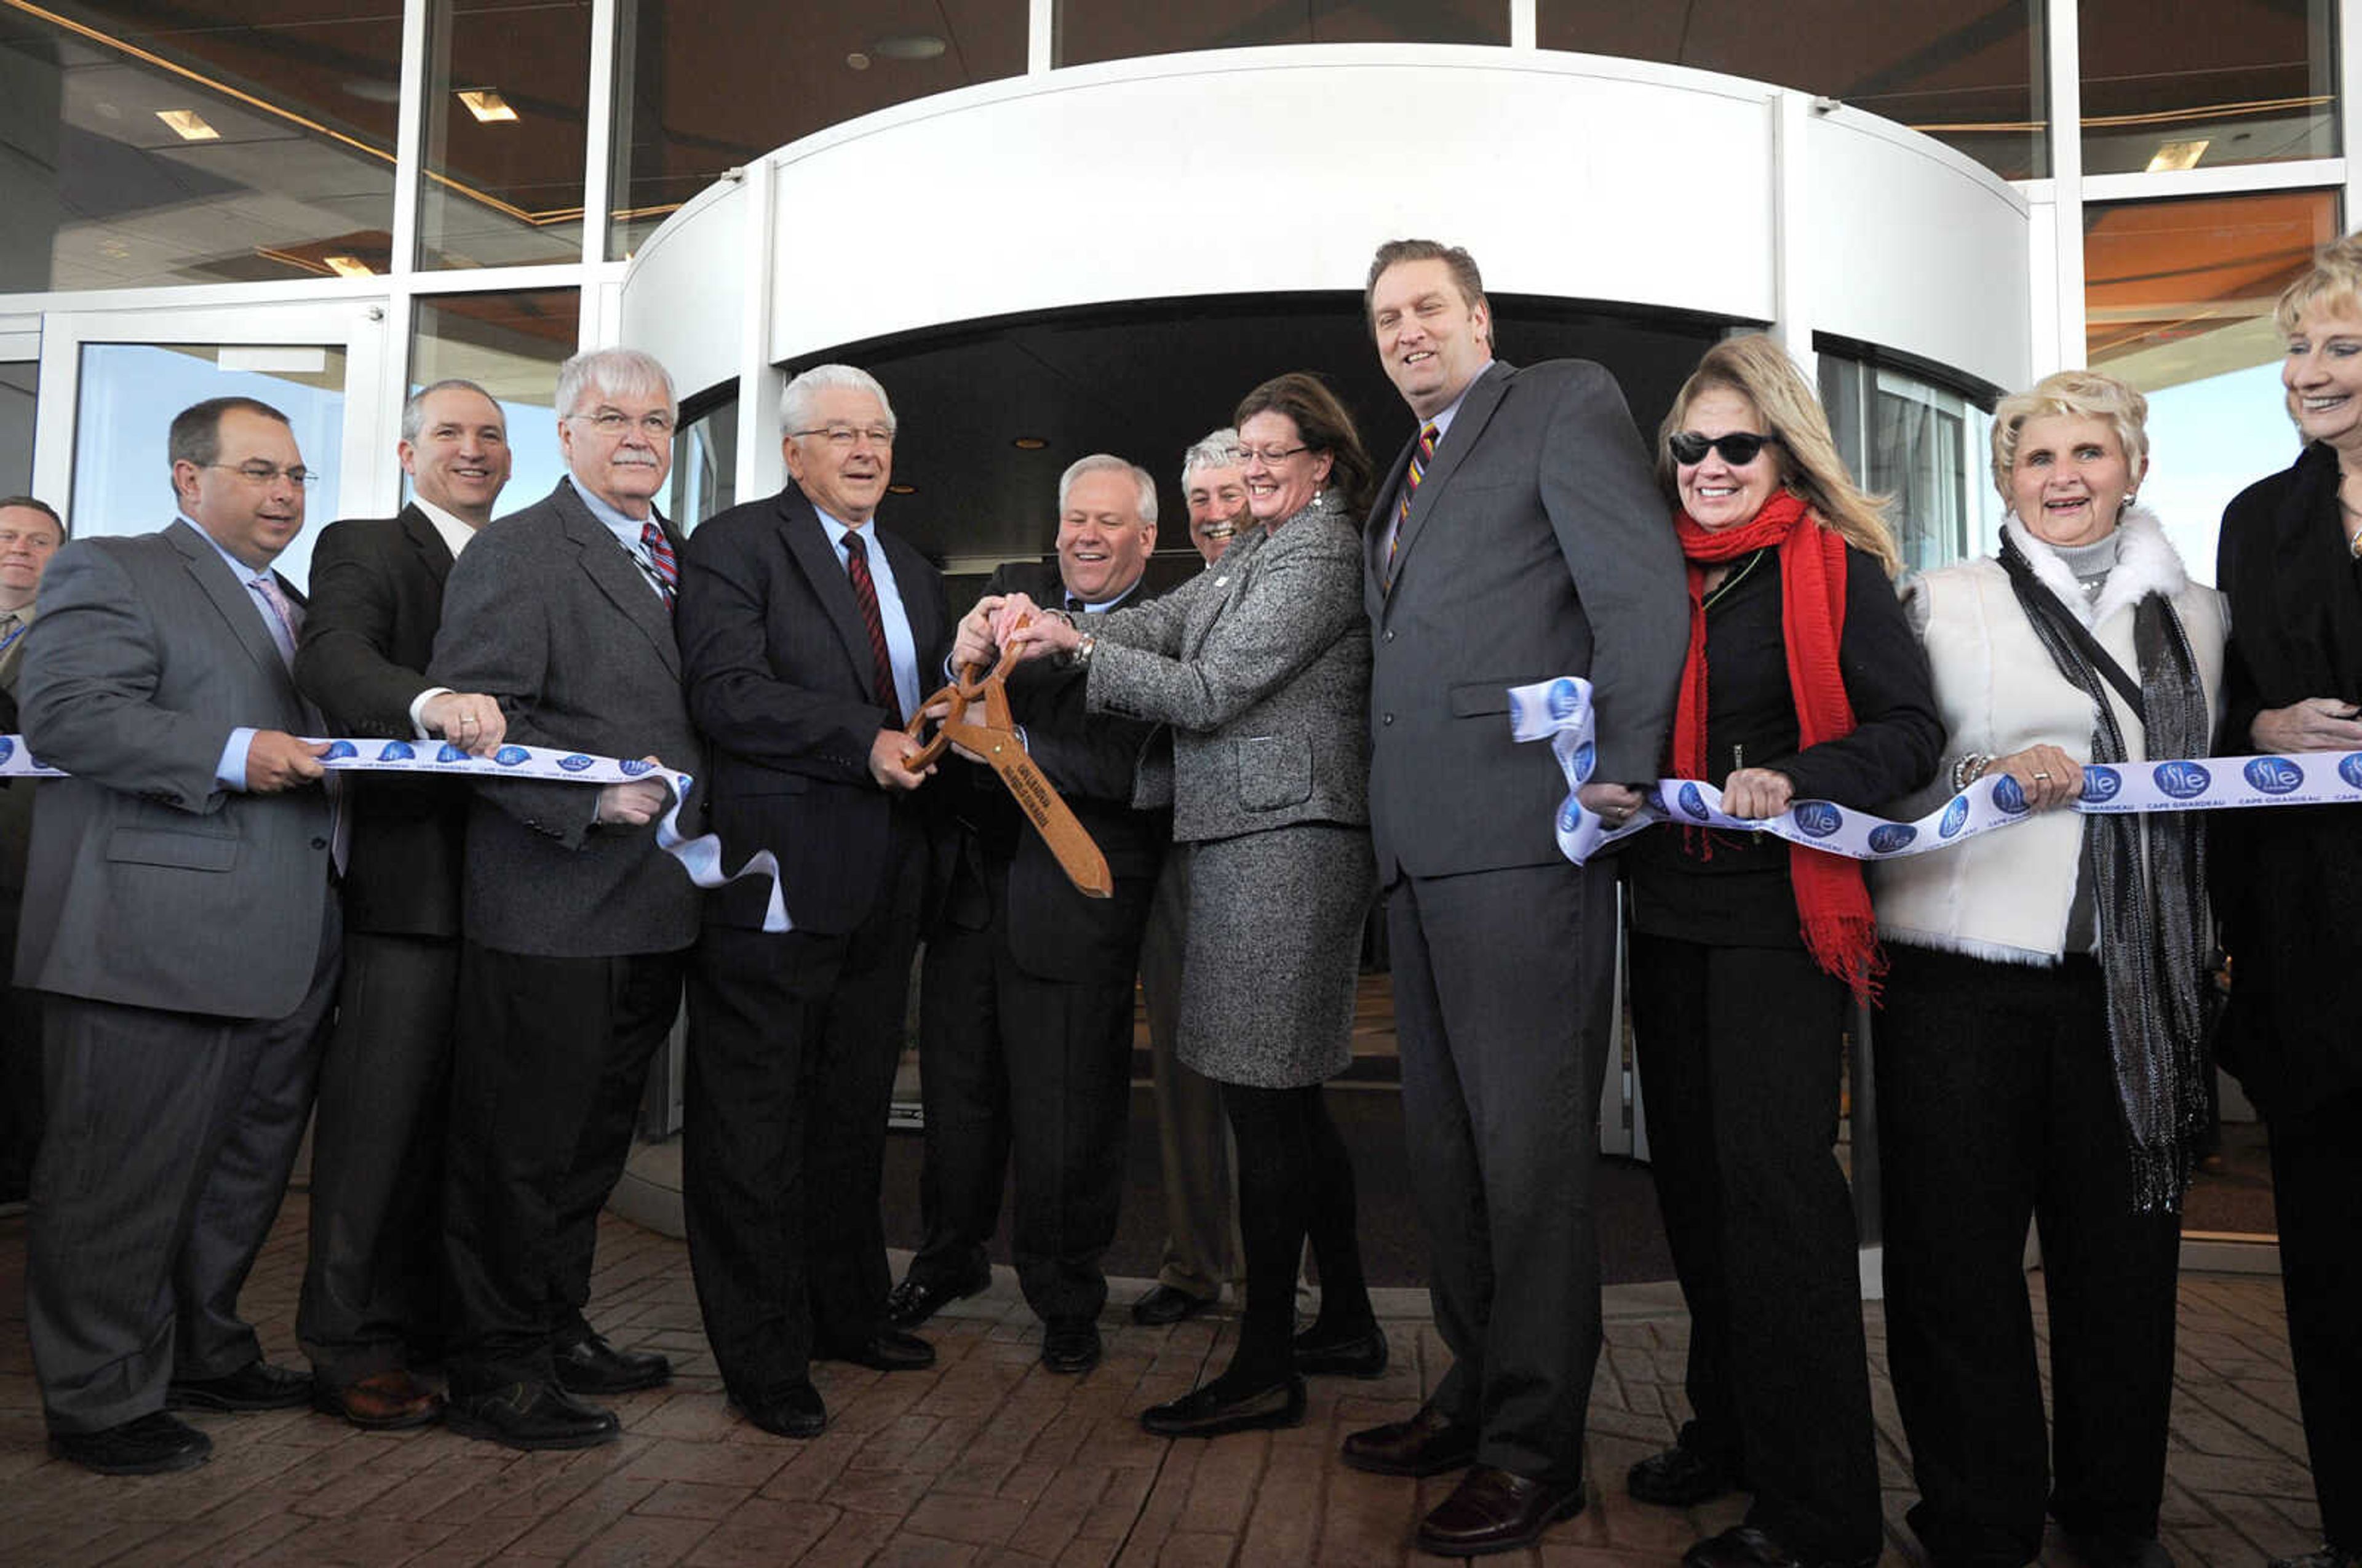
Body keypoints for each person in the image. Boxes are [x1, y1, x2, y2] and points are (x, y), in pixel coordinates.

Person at [1345, 237, 1688, 1556]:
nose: (1407, 330)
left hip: (1529, 840)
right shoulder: (1405, 471)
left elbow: (1639, 593)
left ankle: (1534, 1447)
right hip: (1421, 856)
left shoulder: (1561, 400)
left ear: (1480, 316)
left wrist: (1629, 767)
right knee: (1448, 1159)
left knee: (1533, 1163)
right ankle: (1477, 1386)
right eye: (1386, 317)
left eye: (1428, 306)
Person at [971, 371, 1383, 1438]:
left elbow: (1207, 690)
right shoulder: (1257, 547)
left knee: (1264, 1098)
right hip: (1251, 839)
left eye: (1269, 455)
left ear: (1320, 465)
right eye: (1242, 454)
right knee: (1284, 1101)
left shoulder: (1324, 551)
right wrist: (1058, 629)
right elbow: (1163, 621)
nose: (1249, 472)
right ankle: (1344, 1318)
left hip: (1285, 843)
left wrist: (1083, 650)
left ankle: (1266, 1362)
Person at [1874, 369, 2224, 1568]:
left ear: (2134, 467)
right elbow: (1892, 772)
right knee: (1956, 1266)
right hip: (1960, 980)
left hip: (2135, 989)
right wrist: (1988, 780)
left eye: (2090, 452)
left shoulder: (2207, 617)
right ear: (2004, 479)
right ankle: (1980, 1519)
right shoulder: (1940, 599)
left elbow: (2234, 780)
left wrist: (2274, 736)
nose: (2064, 476)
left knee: (2124, 1269)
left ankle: (2113, 1513)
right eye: (2038, 457)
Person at [1616, 336, 1941, 1568]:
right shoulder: (1653, 569)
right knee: (1695, 1192)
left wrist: (1798, 776)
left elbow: (1909, 728)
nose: (1707, 464)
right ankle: (1732, 1429)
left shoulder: (1836, 568)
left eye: (1735, 444)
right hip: (1668, 909)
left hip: (1780, 916)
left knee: (1778, 1201)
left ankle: (1819, 1514)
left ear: (1784, 448)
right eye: (1689, 444)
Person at [17, 397, 340, 1473]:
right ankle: (100, 1398)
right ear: (185, 478)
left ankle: (204, 1349)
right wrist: (234, 748)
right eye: (259, 470)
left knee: (234, 1178)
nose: (286, 493)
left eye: (296, 473)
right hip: (146, 940)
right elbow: (65, 711)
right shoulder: (114, 566)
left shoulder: (293, 604)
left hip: (285, 939)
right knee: (120, 1178)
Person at [428, 348, 703, 1451]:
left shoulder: (674, 553)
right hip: (552, 902)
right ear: (568, 434)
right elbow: (477, 733)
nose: (640, 434)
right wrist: (589, 808)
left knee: (591, 1147)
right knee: (519, 1149)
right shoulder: (519, 551)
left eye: (658, 418)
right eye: (614, 416)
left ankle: (556, 1324)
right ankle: (493, 1369)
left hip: (653, 907)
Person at [674, 363, 949, 1441]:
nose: (866, 450)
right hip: (777, 882)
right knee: (754, 1129)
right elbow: (727, 694)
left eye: (879, 431)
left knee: (849, 1117)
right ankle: (762, 1354)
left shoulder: (914, 569)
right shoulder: (737, 546)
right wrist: (862, 741)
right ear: (794, 451)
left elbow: (916, 709)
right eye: (841, 433)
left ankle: (847, 1312)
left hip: (886, 883)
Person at [888, 453, 1167, 1373]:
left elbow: (1123, 774)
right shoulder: (1008, 603)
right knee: (958, 1108)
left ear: (1146, 538)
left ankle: (1065, 1295)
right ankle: (949, 1260)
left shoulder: (1158, 637)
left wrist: (1000, 746)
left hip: (1075, 910)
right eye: (1073, 520)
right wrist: (958, 663)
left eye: (1108, 522)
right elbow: (942, 710)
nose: (1086, 537)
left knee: (1068, 1121)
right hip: (970, 905)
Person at [290, 379, 514, 1429]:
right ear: (405, 450)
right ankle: (348, 1342)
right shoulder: (365, 544)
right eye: (450, 433)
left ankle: (433, 1327)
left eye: (491, 435)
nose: (472, 450)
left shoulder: (519, 559)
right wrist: (425, 703)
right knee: (377, 1128)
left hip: (522, 889)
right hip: (411, 889)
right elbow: (333, 657)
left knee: (469, 1130)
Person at [2213, 233, 2362, 1568]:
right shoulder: (2259, 517)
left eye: (2342, 346)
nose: (2308, 372)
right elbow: (2216, 712)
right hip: (2314, 942)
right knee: (2329, 1260)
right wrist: (2260, 714)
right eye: (2299, 347)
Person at [1129, 428, 1248, 1330]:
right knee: (1184, 1073)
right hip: (1184, 856)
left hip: (1279, 861)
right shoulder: (1184, 600)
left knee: (1280, 1090)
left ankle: (1295, 1286)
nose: (1213, 515)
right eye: (1198, 501)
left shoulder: (1313, 583)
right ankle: (1197, 1263)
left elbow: (1208, 696)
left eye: (1229, 494)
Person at [0, 495, 65, 1209]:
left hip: (24, 858)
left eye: (39, 540)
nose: (21, 548)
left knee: (20, 1026)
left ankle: (18, 1170)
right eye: (8, 536)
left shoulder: (70, 636)